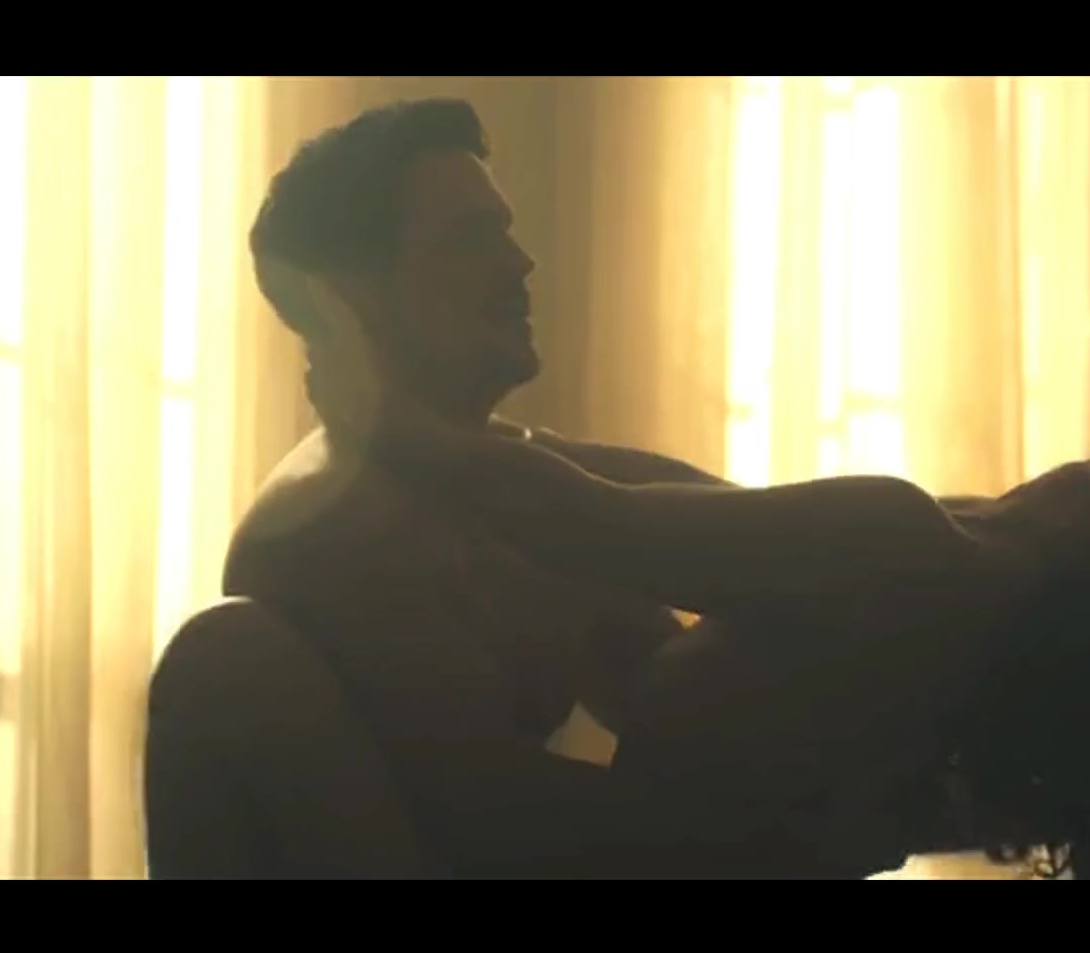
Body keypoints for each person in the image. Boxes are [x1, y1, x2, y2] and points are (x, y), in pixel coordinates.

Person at [343, 391, 1090, 879]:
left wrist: (373, 396)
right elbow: (653, 586)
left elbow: (583, 521)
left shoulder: (918, 561)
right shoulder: (952, 595)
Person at [207, 98, 757, 877]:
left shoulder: (500, 483)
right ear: (353, 298)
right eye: (470, 239)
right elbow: (499, 828)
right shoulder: (336, 532)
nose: (520, 264)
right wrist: (801, 830)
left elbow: (692, 671)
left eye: (505, 231)